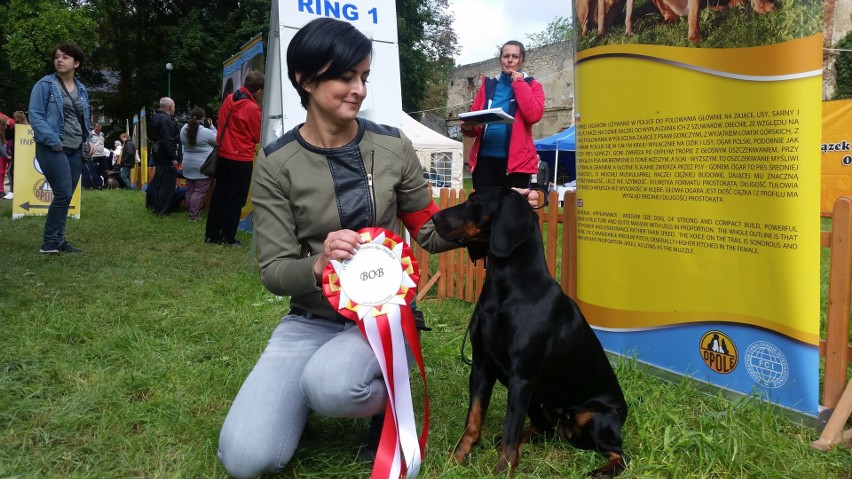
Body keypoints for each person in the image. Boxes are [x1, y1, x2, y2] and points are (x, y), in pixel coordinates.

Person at [217, 18, 507, 478]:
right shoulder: (276, 163)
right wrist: (319, 263)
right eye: (345, 76)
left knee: (331, 386)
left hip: (386, 320)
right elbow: (273, 270)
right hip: (308, 321)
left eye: (364, 77)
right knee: (246, 458)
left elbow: (429, 232)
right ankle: (310, 390)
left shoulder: (392, 147)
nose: (359, 89)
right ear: (305, 79)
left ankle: (381, 398)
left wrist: (496, 218)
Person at [28, 43, 93, 254]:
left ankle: (59, 239)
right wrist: (53, 140)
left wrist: (88, 139)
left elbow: (85, 118)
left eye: (65, 57)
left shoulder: (82, 89)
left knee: (66, 195)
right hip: (53, 147)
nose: (59, 60)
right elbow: (35, 115)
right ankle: (49, 243)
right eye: (57, 56)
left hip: (75, 147)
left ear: (76, 63)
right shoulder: (45, 85)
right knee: (63, 193)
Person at [460, 40, 545, 190]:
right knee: (483, 211)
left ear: (522, 60)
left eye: (515, 56)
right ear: (500, 59)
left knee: (510, 213)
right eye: (506, 56)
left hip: (516, 164)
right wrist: (468, 127)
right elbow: (476, 122)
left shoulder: (533, 86)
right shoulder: (488, 86)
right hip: (484, 161)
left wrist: (519, 82)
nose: (510, 60)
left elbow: (533, 115)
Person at [204, 71, 264, 245]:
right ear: (258, 91)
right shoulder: (252, 108)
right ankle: (228, 236)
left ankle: (211, 234)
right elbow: (257, 135)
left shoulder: (229, 99)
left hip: (223, 154)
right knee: (235, 199)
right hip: (241, 158)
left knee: (219, 196)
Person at [180, 107, 217, 220]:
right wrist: (211, 126)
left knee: (190, 190)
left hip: (187, 164)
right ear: (203, 118)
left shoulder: (183, 130)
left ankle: (191, 212)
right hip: (203, 166)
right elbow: (218, 140)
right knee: (199, 192)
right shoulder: (206, 132)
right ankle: (193, 215)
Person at [148, 97, 181, 215]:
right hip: (166, 157)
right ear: (171, 107)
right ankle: (163, 210)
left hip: (157, 155)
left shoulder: (154, 118)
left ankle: (156, 207)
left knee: (159, 183)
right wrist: (173, 158)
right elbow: (168, 140)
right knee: (167, 186)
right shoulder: (166, 120)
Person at [0, 118, 11, 198]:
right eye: (6, 124)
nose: (7, 126)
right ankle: (0, 191)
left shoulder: (2, 133)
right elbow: (0, 147)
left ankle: (1, 190)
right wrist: (6, 155)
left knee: (2, 173)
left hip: (2, 156)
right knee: (1, 173)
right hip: (1, 156)